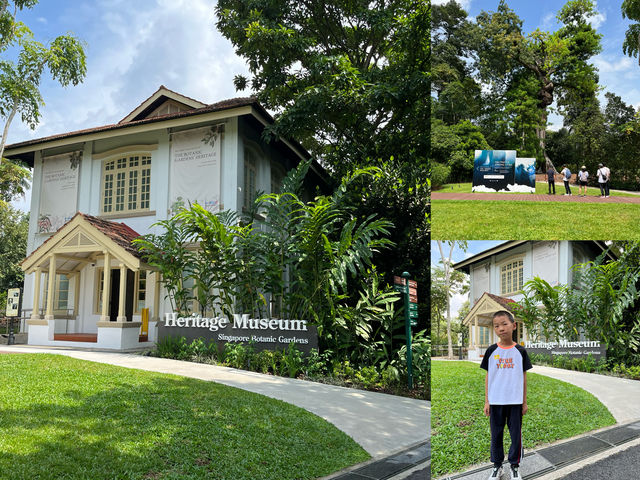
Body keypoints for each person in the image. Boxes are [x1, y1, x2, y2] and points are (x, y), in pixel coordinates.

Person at [481, 310, 532, 480]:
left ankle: (515, 466)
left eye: (504, 324)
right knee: (496, 435)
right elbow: (488, 376)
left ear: (513, 325)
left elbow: (523, 377)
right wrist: (487, 401)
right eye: (496, 326)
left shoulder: (520, 351)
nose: (501, 328)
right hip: (496, 401)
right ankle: (497, 466)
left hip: (515, 402)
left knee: (515, 435)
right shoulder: (491, 351)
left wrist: (524, 402)